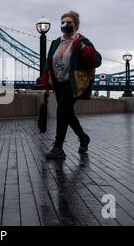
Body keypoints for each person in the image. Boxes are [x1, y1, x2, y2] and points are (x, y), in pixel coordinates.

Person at [41, 11, 102, 160]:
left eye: (69, 23)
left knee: (62, 110)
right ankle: (83, 137)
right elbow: (48, 64)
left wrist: (83, 49)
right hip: (59, 82)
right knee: (67, 113)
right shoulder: (56, 42)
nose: (65, 25)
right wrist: (45, 86)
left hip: (73, 82)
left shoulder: (82, 41)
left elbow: (97, 60)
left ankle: (58, 148)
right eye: (63, 22)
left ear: (75, 25)